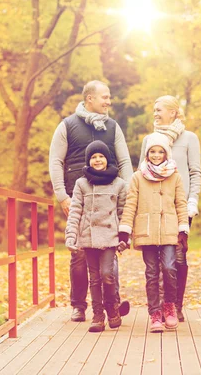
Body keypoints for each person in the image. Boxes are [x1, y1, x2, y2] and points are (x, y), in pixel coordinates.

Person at [49, 80, 133, 322]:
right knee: (80, 253)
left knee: (110, 247)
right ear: (90, 100)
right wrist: (62, 196)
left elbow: (125, 161)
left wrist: (128, 194)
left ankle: (112, 304)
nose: (109, 101)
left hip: (109, 197)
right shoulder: (67, 126)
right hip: (79, 196)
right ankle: (79, 305)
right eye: (105, 97)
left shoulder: (113, 127)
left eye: (109, 97)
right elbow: (56, 161)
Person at [139, 95, 201, 322]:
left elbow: (195, 172)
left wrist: (192, 200)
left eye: (159, 110)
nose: (155, 113)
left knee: (178, 258)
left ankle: (175, 304)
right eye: (154, 110)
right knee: (155, 261)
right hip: (154, 209)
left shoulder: (189, 139)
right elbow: (141, 173)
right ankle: (158, 308)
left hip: (180, 208)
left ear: (173, 112)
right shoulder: (149, 140)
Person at [119, 133, 189, 332]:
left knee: (169, 267)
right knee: (151, 272)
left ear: (166, 154)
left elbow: (181, 204)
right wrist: (125, 230)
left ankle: (169, 307)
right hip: (146, 230)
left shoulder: (174, 176)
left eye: (160, 151)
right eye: (152, 151)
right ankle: (155, 314)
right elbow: (130, 204)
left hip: (169, 230)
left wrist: (183, 228)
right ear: (147, 154)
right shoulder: (137, 177)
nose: (156, 155)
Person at [65, 141, 127, 332]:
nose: (97, 160)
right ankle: (98, 315)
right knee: (94, 278)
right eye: (93, 157)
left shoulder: (119, 184)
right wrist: (71, 236)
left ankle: (112, 309)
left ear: (107, 159)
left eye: (101, 156)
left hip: (110, 237)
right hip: (88, 237)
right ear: (88, 161)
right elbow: (75, 211)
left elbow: (123, 211)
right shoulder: (81, 183)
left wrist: (125, 237)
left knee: (107, 275)